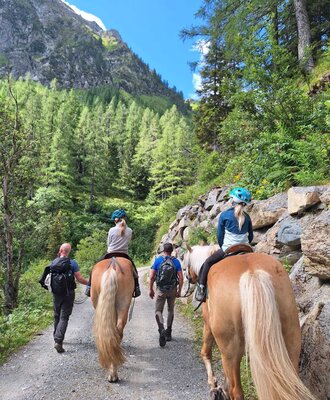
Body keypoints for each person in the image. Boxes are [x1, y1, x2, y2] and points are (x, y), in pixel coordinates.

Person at [195, 187, 254, 302]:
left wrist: (223, 248)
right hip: (246, 248)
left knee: (207, 262)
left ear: (232, 200)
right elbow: (250, 237)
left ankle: (201, 289)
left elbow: (220, 237)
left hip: (229, 249)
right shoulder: (247, 217)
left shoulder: (225, 215)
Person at [85, 208, 141, 298]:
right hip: (124, 255)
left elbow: (108, 243)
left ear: (116, 219)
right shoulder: (130, 230)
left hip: (110, 253)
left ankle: (88, 287)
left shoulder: (111, 230)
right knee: (134, 272)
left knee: (94, 268)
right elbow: (128, 242)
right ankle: (137, 287)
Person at [51, 243, 88, 353]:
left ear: (60, 250)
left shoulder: (54, 262)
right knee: (64, 317)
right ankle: (58, 341)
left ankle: (56, 337)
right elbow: (79, 278)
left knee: (57, 315)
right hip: (69, 293)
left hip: (56, 293)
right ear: (69, 251)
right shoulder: (72, 263)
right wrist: (90, 283)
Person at [149, 242, 183, 347]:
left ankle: (161, 329)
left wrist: (151, 289)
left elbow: (151, 277)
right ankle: (168, 333)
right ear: (172, 250)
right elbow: (181, 278)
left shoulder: (158, 260)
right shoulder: (176, 261)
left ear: (163, 250)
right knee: (170, 310)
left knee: (158, 311)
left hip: (161, 290)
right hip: (172, 289)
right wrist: (179, 290)